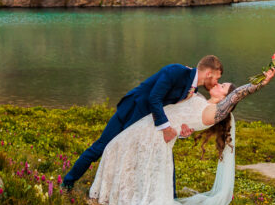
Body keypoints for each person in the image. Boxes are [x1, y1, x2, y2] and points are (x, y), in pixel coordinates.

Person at [90, 69, 275, 205]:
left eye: (223, 87)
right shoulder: (201, 100)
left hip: (156, 137)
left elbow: (238, 94)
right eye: (221, 83)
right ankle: (114, 195)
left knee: (114, 148)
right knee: (114, 148)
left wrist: (263, 81)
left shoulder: (216, 112)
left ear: (226, 98)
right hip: (149, 127)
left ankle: (115, 198)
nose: (219, 85)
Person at [61, 55, 224, 192]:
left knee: (160, 157)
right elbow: (154, 97)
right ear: (209, 73)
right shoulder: (176, 71)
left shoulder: (192, 90)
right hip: (131, 111)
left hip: (146, 124)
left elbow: (173, 113)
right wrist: (166, 128)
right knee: (101, 147)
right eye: (218, 78)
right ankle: (67, 183)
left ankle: (168, 199)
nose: (217, 82)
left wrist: (181, 132)